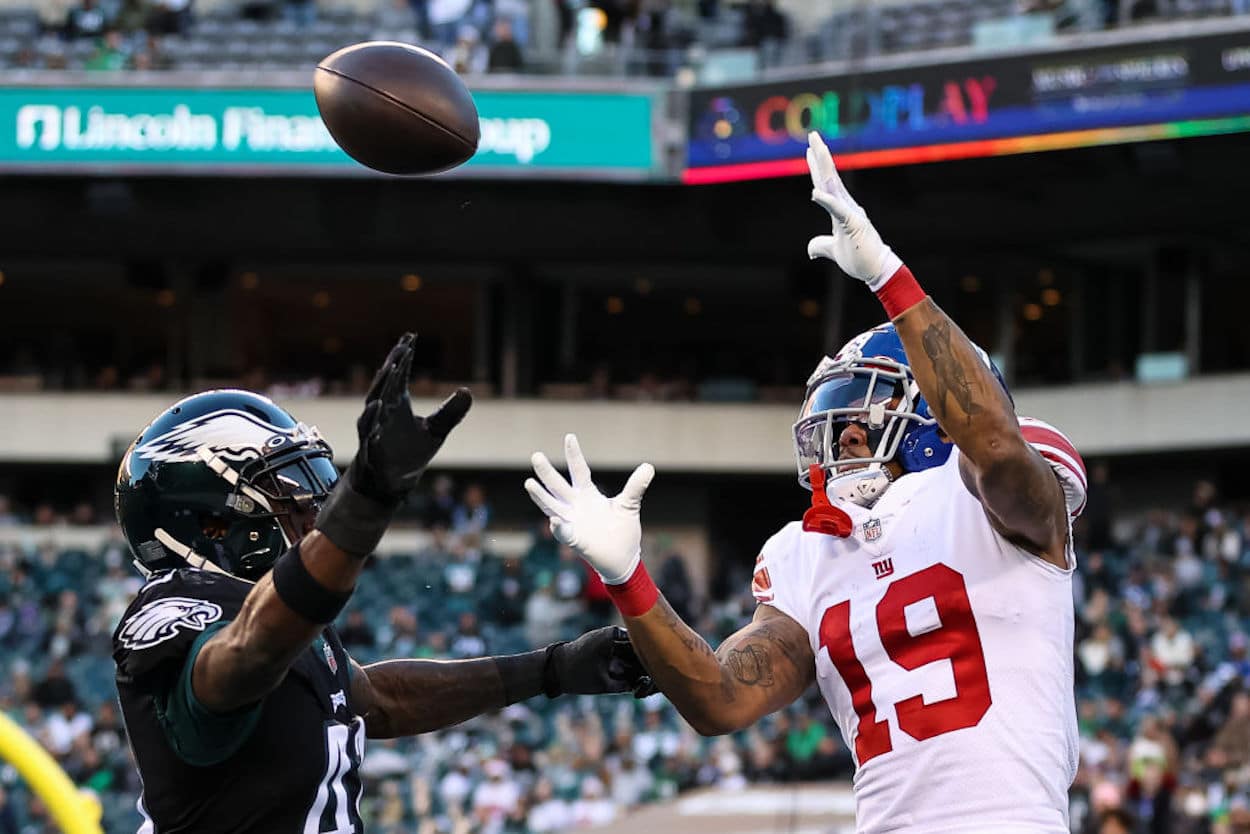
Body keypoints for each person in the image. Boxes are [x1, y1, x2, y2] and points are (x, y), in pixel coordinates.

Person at [524, 133, 1088, 833]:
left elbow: (995, 445)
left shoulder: (988, 494)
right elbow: (721, 701)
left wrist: (888, 275)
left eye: (868, 412)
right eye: (835, 419)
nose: (844, 435)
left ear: (932, 416)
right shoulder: (810, 550)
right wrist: (628, 576)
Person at [111, 334, 653, 833]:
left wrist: (552, 668)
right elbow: (246, 655)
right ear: (214, 524)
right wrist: (366, 502)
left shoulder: (274, 617)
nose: (313, 516)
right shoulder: (179, 608)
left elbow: (376, 699)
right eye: (288, 497)